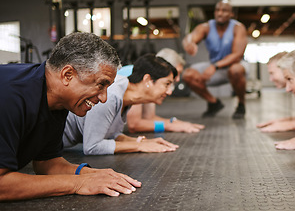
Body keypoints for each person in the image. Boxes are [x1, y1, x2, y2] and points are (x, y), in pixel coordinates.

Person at [0, 32, 141, 201]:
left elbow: (47, 163)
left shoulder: (58, 101)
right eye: (101, 85)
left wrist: (92, 174)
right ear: (68, 75)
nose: (104, 98)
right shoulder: (9, 96)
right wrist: (78, 183)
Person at [63, 53, 180, 155]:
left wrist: (141, 142)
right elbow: (92, 147)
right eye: (167, 84)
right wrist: (139, 146)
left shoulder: (126, 96)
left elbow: (111, 135)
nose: (169, 91)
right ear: (147, 80)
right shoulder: (111, 95)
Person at [182, 0, 248, 119]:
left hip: (235, 65)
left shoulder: (238, 28)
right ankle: (213, 103)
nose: (220, 13)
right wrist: (189, 43)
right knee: (188, 75)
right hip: (215, 67)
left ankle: (241, 104)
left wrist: (214, 66)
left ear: (231, 14)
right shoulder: (206, 27)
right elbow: (191, 36)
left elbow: (237, 55)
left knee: (236, 69)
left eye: (224, 11)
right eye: (217, 10)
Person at [123, 48, 205, 133]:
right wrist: (169, 126)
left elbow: (149, 117)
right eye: (176, 73)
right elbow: (134, 125)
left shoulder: (151, 82)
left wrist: (175, 123)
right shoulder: (139, 78)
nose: (177, 79)